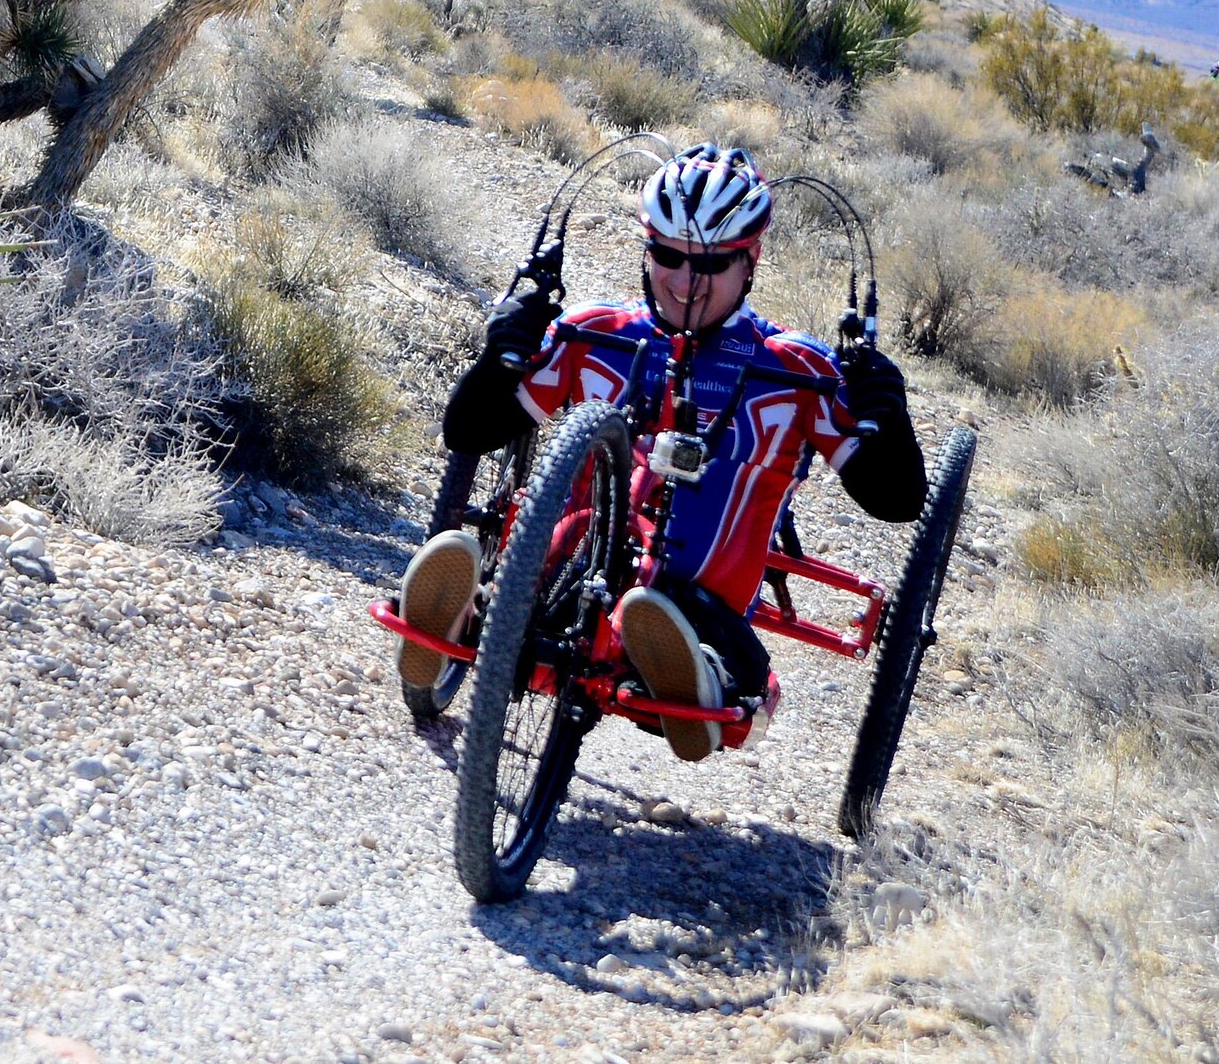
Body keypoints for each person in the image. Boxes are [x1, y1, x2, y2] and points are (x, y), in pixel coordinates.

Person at [396, 145, 927, 760]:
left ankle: (698, 677)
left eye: (712, 264)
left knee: (686, 629)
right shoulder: (598, 335)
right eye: (668, 256)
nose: (684, 282)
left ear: (749, 262)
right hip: (571, 571)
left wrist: (889, 413)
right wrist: (500, 354)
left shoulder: (798, 372)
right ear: (646, 251)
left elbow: (897, 500)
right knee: (555, 567)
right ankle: (463, 615)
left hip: (701, 596)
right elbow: (468, 433)